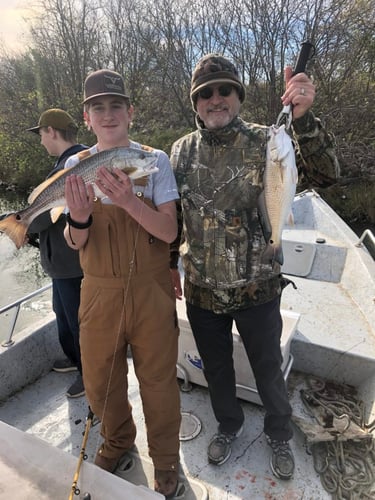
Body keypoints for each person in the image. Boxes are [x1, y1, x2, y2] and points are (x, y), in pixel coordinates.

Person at [169, 54, 340, 480]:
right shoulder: (180, 152)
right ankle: (229, 426)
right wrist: (170, 262)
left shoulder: (270, 141)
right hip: (203, 292)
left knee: (268, 371)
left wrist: (303, 119)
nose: (216, 99)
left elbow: (327, 173)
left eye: (225, 90)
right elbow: (172, 218)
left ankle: (278, 433)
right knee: (217, 370)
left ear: (238, 96)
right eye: (206, 93)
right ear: (196, 103)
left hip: (257, 289)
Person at [62, 69, 181, 498]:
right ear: (87, 117)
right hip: (99, 292)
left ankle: (167, 459)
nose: (108, 114)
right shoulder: (75, 167)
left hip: (151, 290)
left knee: (159, 380)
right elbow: (75, 241)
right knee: (99, 378)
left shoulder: (156, 160)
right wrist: (78, 216)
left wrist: (130, 200)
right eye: (98, 107)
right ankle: (117, 440)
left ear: (130, 112)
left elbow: (169, 232)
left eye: (116, 106)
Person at [27, 109, 88, 398]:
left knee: (80, 323)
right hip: (59, 265)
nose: (41, 142)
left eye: (41, 134)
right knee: (62, 316)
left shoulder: (76, 166)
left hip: (74, 266)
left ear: (51, 131)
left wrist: (20, 221)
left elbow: (45, 216)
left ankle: (89, 375)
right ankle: (76, 360)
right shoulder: (63, 164)